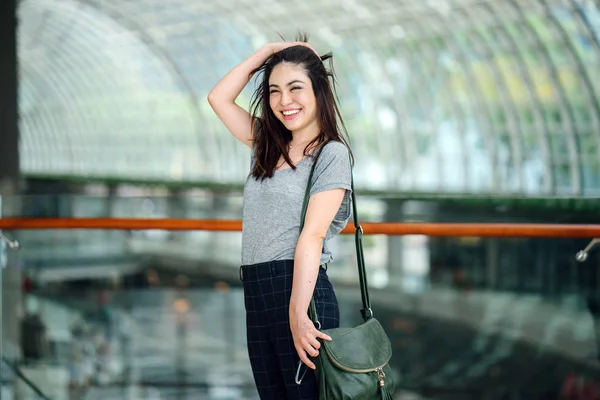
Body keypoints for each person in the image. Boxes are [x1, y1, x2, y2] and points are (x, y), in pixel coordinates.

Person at [208, 34, 353, 400]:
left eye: (295, 88)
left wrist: (298, 313)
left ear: (319, 91)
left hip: (299, 290)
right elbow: (218, 98)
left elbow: (312, 237)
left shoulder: (331, 154)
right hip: (257, 291)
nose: (284, 101)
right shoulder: (267, 142)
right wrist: (266, 54)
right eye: (274, 90)